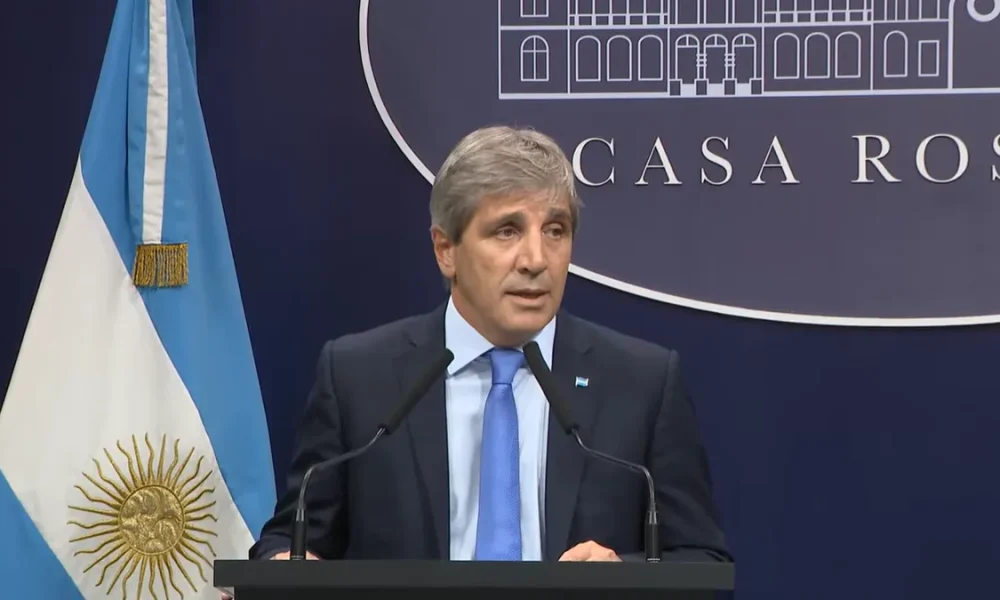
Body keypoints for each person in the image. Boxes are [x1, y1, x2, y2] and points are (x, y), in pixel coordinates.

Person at [250, 125, 730, 563]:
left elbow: (702, 560)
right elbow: (291, 538)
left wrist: (622, 576)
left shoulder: (641, 382)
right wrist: (284, 568)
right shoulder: (359, 376)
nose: (536, 259)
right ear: (446, 250)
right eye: (507, 231)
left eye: (556, 230)